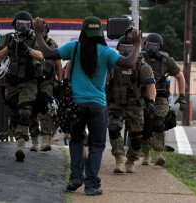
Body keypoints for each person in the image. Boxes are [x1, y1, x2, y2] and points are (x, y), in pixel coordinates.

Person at [33, 16, 142, 196]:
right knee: (96, 145)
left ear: (83, 31)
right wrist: (137, 44)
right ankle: (91, 184)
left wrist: (38, 34)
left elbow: (48, 53)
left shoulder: (74, 47)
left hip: (75, 105)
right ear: (100, 33)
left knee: (76, 140)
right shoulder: (106, 51)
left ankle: (76, 177)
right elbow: (129, 62)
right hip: (98, 106)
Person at [0, 11, 43, 162]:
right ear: (15, 25)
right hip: (11, 84)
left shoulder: (33, 39)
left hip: (28, 83)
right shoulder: (7, 38)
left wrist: (26, 49)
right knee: (14, 116)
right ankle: (19, 138)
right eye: (20, 24)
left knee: (25, 112)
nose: (23, 27)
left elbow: (41, 55)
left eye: (26, 25)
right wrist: (9, 47)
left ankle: (20, 146)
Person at [107, 34, 156, 174]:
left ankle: (131, 160)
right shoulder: (113, 64)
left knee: (136, 137)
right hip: (117, 104)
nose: (126, 50)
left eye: (129, 47)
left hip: (135, 106)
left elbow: (150, 85)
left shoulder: (141, 65)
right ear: (118, 48)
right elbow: (106, 81)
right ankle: (119, 159)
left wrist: (151, 101)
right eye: (123, 47)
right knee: (113, 128)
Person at [141, 33, 186, 166]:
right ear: (145, 45)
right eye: (149, 45)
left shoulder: (167, 61)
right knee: (144, 124)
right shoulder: (140, 58)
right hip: (143, 97)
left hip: (160, 97)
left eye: (155, 46)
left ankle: (158, 154)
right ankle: (146, 153)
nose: (152, 48)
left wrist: (182, 96)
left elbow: (180, 76)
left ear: (159, 47)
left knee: (158, 122)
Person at [29, 20, 63, 152]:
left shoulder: (51, 44)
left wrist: (59, 83)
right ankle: (34, 140)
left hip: (47, 81)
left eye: (43, 30)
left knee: (46, 109)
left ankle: (45, 139)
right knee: (30, 110)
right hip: (31, 81)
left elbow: (58, 64)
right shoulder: (31, 43)